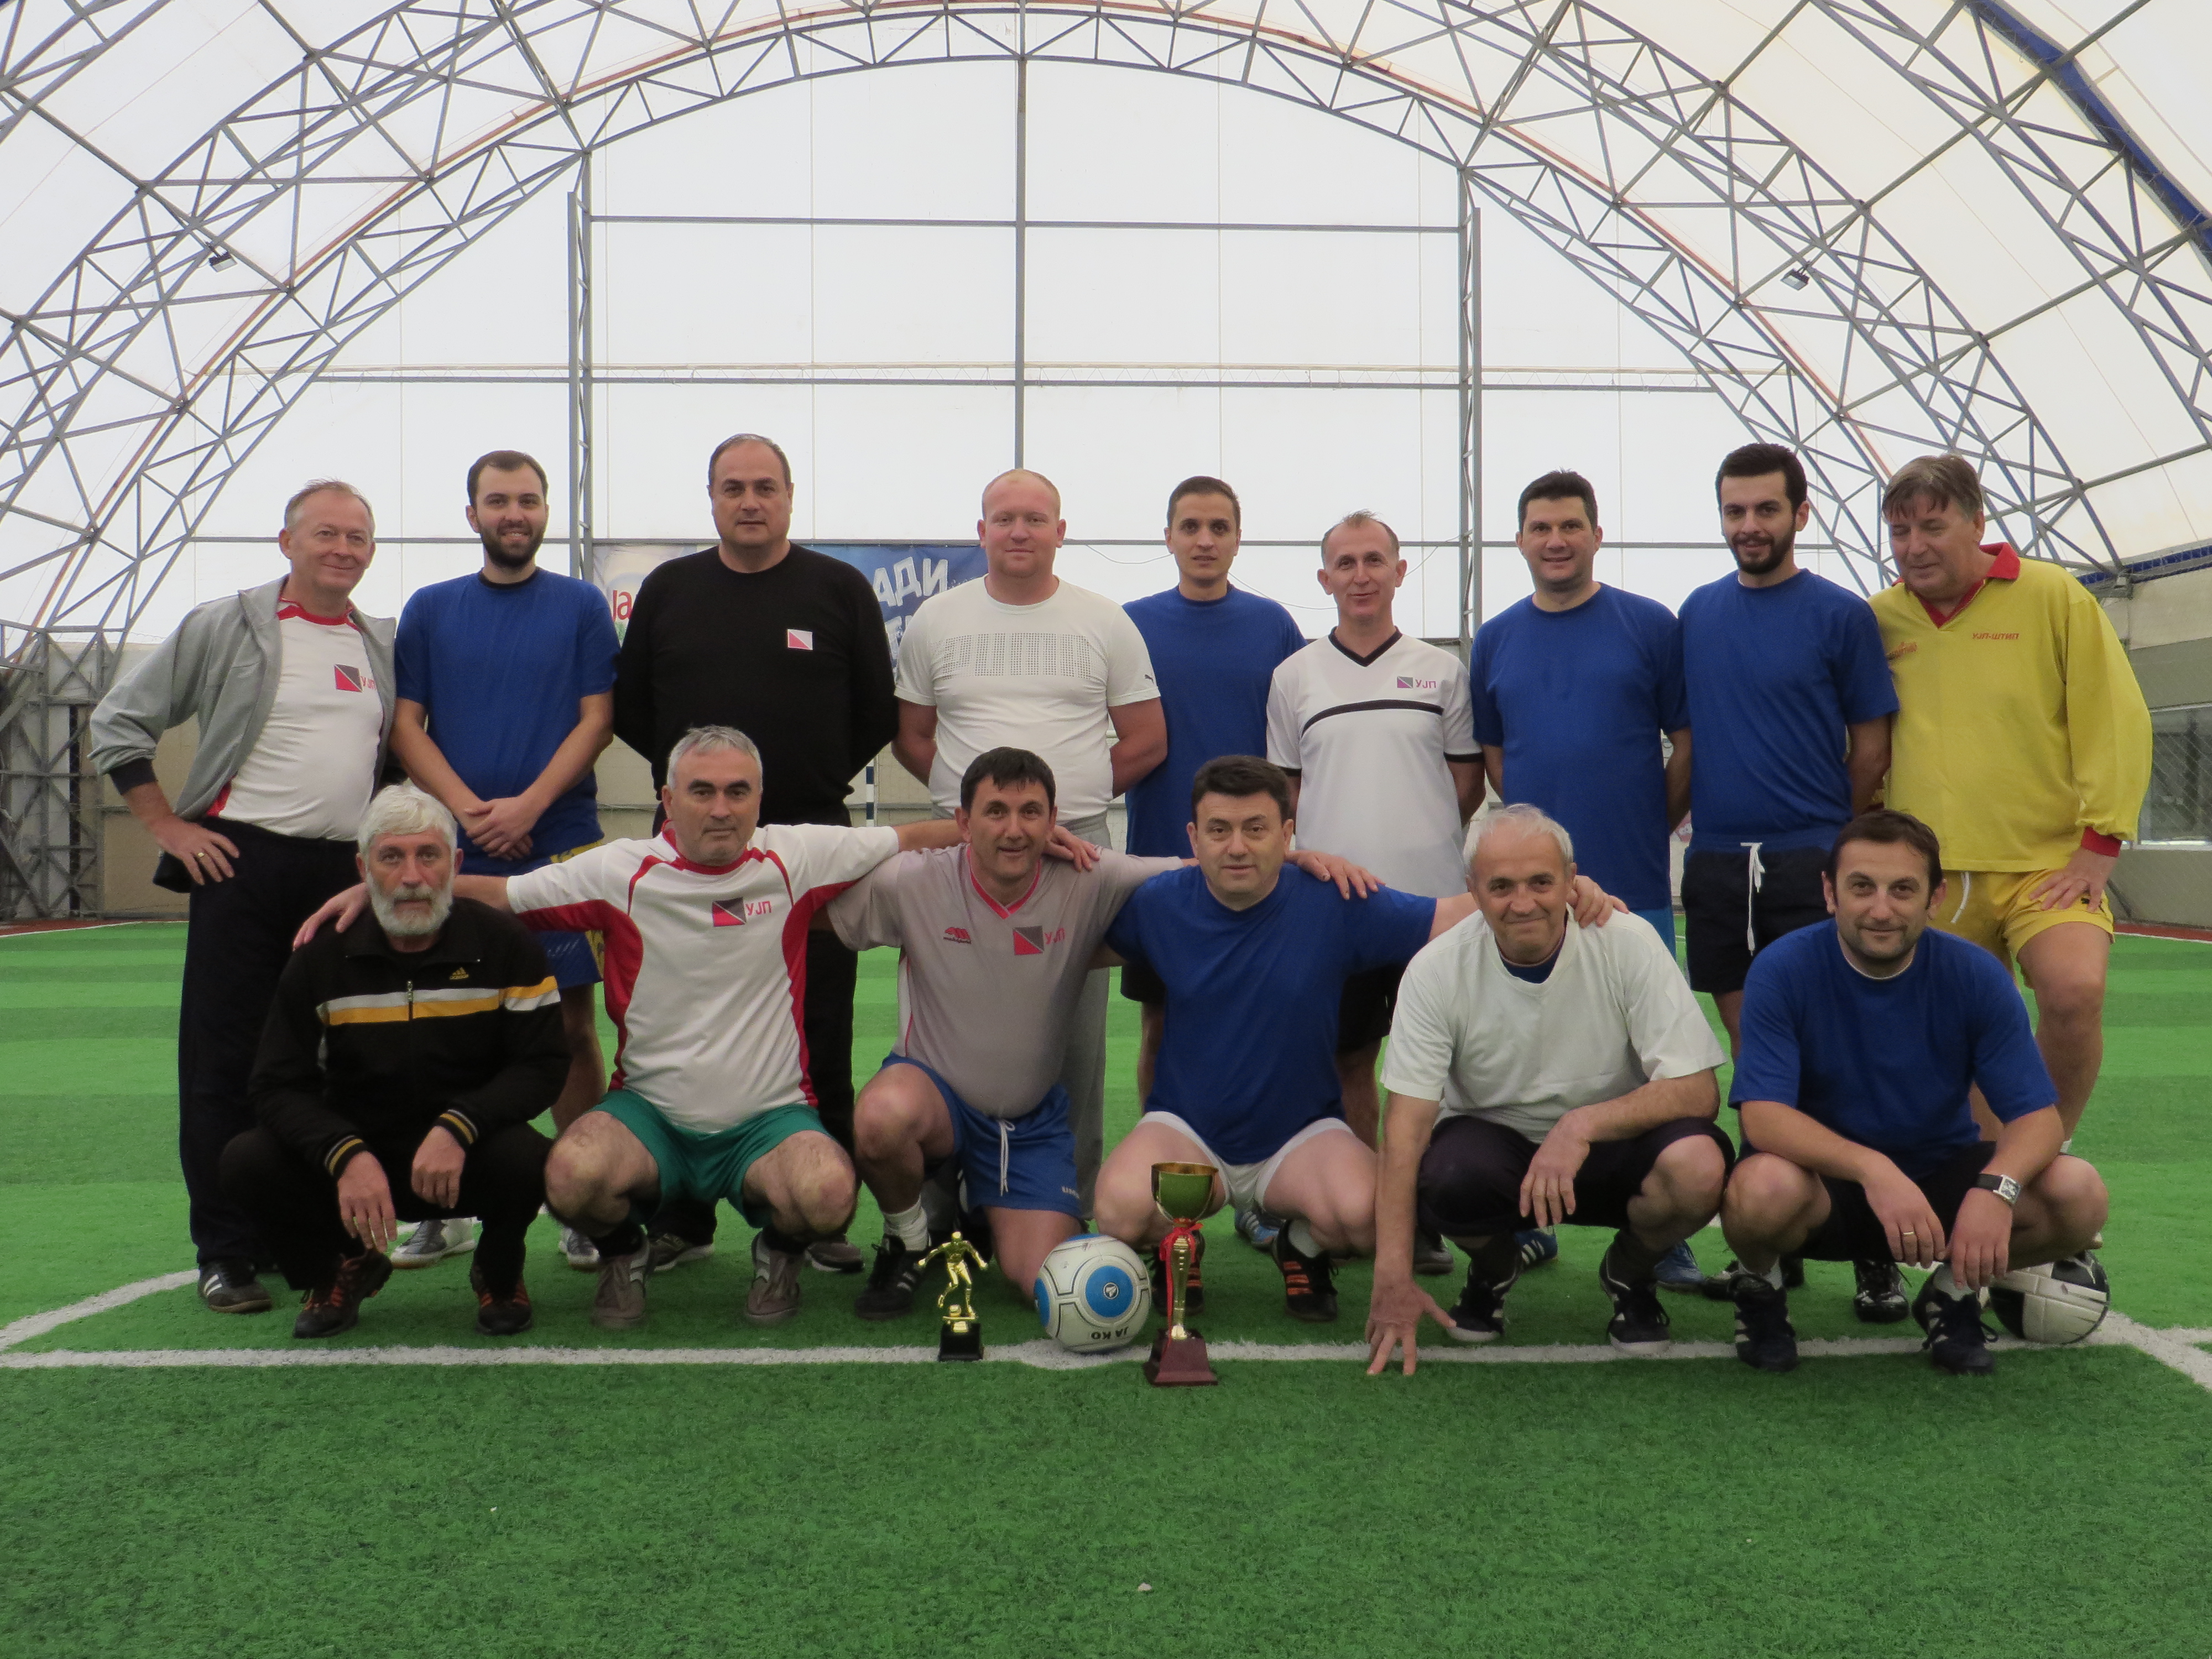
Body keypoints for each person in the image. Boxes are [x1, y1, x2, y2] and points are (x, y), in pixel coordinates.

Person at [296, 726, 974, 1329]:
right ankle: (625, 1254)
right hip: (651, 1118)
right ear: (667, 798)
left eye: (737, 791)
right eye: (702, 791)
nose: (721, 808)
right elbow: (504, 894)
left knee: (829, 1193)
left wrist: (1004, 839)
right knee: (569, 1176)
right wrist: (387, 889)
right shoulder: (621, 870)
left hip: (768, 1121)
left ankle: (779, 1254)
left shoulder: (797, 856)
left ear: (759, 799)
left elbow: (916, 836)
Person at [833, 745, 1366, 1318]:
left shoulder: (1091, 875)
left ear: (1054, 821)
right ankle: (908, 1239)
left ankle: (980, 1205)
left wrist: (1295, 859)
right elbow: (818, 908)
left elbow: (1208, 869)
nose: (1014, 830)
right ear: (963, 822)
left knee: (1051, 1281)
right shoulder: (913, 880)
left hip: (1024, 1123)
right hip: (935, 1100)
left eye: (1031, 813)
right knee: (883, 1116)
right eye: (995, 812)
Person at [1092, 757, 1620, 1323]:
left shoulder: (1334, 899)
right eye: (1219, 830)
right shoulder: (1159, 904)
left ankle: (1300, 1247)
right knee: (1120, 1210)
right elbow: (1072, 941)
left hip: (1299, 1139)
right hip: (1186, 1132)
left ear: (1287, 834)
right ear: (1194, 837)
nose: (1237, 846)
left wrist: (1565, 888)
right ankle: (1179, 1241)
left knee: (1374, 1219)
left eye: (1255, 828)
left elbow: (1448, 916)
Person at [90, 479, 397, 1316]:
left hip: (341, 878)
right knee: (224, 1064)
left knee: (333, 1062)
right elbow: (118, 722)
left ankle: (315, 1236)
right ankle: (224, 1252)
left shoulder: (380, 642)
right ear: (286, 542)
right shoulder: (226, 625)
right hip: (241, 866)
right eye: (326, 533)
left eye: (358, 538)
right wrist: (168, 826)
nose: (343, 549)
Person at [612, 432, 899, 1277]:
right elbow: (633, 710)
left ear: (789, 497)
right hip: (689, 857)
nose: (749, 501)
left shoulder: (838, 590)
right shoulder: (670, 590)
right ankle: (682, 1216)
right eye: (733, 487)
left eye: (765, 487)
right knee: (682, 1029)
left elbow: (875, 713)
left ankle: (816, 1215)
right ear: (711, 499)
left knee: (820, 1030)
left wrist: (800, 786)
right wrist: (704, 800)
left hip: (811, 845)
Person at [1715, 810, 2109, 1376]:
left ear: (1935, 898)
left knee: (2079, 1194)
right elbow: (1764, 1118)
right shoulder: (1783, 968)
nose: (1881, 909)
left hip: (1937, 1180)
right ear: (1829, 893)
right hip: (1820, 1188)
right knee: (1760, 1189)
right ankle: (1761, 1286)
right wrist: (1874, 1170)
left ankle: (1951, 1295)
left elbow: (2037, 1119)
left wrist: (1996, 1191)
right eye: (1862, 888)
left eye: (1902, 890)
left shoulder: (1975, 974)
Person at [1362, 806, 1730, 1374]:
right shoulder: (1436, 970)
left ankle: (1629, 1273)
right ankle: (1494, 1266)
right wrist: (1391, 1277)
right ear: (1472, 890)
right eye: (1501, 886)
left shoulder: (1627, 941)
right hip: (1497, 1153)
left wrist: (1580, 1126)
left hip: (1613, 1144)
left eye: (1541, 882)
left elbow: (1697, 1090)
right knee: (1446, 1177)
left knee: (1698, 1167)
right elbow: (1403, 1133)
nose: (1523, 902)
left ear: (1570, 880)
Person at [1869, 456, 2151, 1183]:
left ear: (1977, 522)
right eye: (1899, 531)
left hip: (2047, 866)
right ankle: (1994, 1181)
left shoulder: (2053, 595)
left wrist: (2100, 844)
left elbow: (2113, 718)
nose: (1913, 547)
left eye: (1933, 527)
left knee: (2074, 992)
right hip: (1932, 878)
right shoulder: (1879, 618)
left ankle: (2041, 1159)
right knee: (1957, 1040)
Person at [894, 468, 1166, 1213]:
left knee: (1071, 1040)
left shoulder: (1104, 621)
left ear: (1061, 532)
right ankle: (937, 1214)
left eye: (1036, 519)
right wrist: (983, 821)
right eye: (1005, 518)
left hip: (1075, 854)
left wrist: (1052, 820)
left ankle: (1065, 1206)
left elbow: (1146, 740)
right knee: (940, 1034)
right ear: (981, 531)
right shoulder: (936, 621)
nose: (1020, 531)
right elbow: (913, 737)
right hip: (960, 859)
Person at [1678, 442, 1903, 1321]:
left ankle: (1873, 1250)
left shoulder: (1842, 616)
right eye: (1735, 511)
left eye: (1766, 509)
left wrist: (1829, 849)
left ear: (1800, 514)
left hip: (1810, 864)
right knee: (1758, 1063)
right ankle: (1770, 1245)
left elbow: (1872, 749)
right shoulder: (1697, 613)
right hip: (1717, 868)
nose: (1750, 526)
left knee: (1839, 1057)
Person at [221, 786, 566, 1338]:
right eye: (391, 857)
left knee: (530, 1159)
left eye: (428, 856)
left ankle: (499, 1270)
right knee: (247, 1160)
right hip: (359, 1161)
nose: (412, 877)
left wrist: (460, 1126)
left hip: (465, 1153)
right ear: (364, 869)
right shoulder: (320, 959)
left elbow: (542, 1064)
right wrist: (343, 1153)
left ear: (455, 864)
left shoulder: (506, 944)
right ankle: (340, 1267)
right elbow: (276, 1085)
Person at [1468, 469, 1699, 1289]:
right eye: (1540, 527)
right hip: (1530, 895)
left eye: (1571, 525)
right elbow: (1497, 756)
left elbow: (1686, 742)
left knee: (1644, 1055)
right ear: (1520, 540)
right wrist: (1542, 863)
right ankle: (1527, 1214)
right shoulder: (1496, 639)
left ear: (1597, 535)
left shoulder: (1650, 625)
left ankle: (1657, 1230)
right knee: (1529, 1048)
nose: (1556, 540)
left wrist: (1644, 824)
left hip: (1634, 879)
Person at [389, 448, 618, 1272]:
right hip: (455, 846)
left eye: (527, 500)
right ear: (473, 515)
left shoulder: (582, 605)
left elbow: (598, 719)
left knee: (569, 1026)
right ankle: (443, 1208)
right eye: (497, 501)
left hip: (561, 842)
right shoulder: (429, 609)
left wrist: (527, 807)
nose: (513, 514)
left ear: (546, 510)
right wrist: (468, 812)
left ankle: (581, 1200)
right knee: (446, 1024)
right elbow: (406, 726)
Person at [1266, 509, 1480, 1275]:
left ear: (1399, 571)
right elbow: (1287, 797)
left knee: (1441, 1069)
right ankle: (1374, 1213)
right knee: (1351, 1062)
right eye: (1346, 563)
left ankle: (1434, 1215)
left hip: (1433, 910)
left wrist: (1415, 845)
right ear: (1325, 578)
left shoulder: (1441, 671)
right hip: (1337, 912)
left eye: (1374, 561)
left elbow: (1463, 783)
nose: (1361, 576)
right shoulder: (1294, 677)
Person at [1121, 475, 1305, 1249]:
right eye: (1190, 526)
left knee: (1266, 1026)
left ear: (1237, 537)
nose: (1204, 540)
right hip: (1161, 865)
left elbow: (1296, 743)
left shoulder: (1273, 625)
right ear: (1167, 536)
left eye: (1218, 527)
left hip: (1255, 867)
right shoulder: (1129, 625)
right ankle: (1164, 1188)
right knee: (1163, 1026)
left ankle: (1263, 1191)